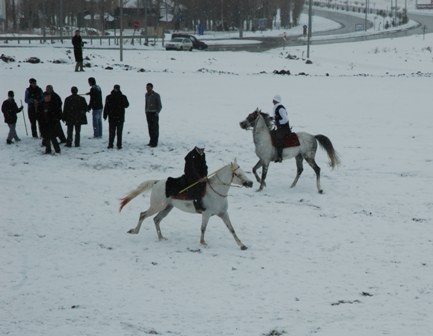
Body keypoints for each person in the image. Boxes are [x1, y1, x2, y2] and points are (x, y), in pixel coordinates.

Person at [103, 84, 129, 149]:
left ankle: (111, 144)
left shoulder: (109, 97)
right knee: (118, 132)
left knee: (112, 132)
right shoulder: (123, 97)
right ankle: (118, 144)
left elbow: (106, 107)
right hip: (119, 117)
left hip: (112, 117)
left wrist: (105, 114)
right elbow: (127, 105)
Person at [184, 142, 208, 212]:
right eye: (200, 149)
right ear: (196, 148)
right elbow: (191, 169)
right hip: (190, 175)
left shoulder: (203, 154)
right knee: (197, 187)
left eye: (203, 149)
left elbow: (204, 166)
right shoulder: (191, 156)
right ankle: (198, 205)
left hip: (200, 176)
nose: (201, 151)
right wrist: (199, 178)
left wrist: (205, 176)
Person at [272, 94, 291, 163]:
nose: (272, 101)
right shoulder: (276, 108)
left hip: (284, 129)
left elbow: (285, 119)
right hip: (280, 128)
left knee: (278, 138)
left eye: (273, 100)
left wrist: (278, 123)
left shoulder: (280, 109)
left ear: (276, 101)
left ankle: (280, 157)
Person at [145, 82, 162, 147]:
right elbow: (146, 104)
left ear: (152, 87)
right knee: (150, 128)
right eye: (146, 87)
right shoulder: (146, 95)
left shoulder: (156, 95)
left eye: (148, 87)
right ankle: (151, 141)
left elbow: (160, 105)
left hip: (154, 113)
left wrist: (157, 112)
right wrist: (146, 111)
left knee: (155, 128)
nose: (147, 88)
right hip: (148, 113)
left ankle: (155, 142)